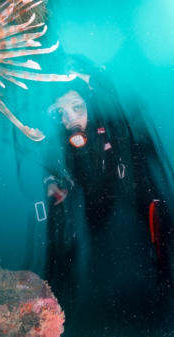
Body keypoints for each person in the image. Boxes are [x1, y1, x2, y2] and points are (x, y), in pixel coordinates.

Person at [42, 63, 174, 336]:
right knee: (99, 244)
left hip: (134, 188)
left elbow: (110, 93)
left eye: (77, 107)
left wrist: (90, 77)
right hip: (97, 201)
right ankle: (100, 291)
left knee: (162, 235)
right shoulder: (67, 142)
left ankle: (165, 285)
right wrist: (55, 183)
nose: (70, 119)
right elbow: (65, 171)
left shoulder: (111, 123)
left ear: (89, 104)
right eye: (61, 113)